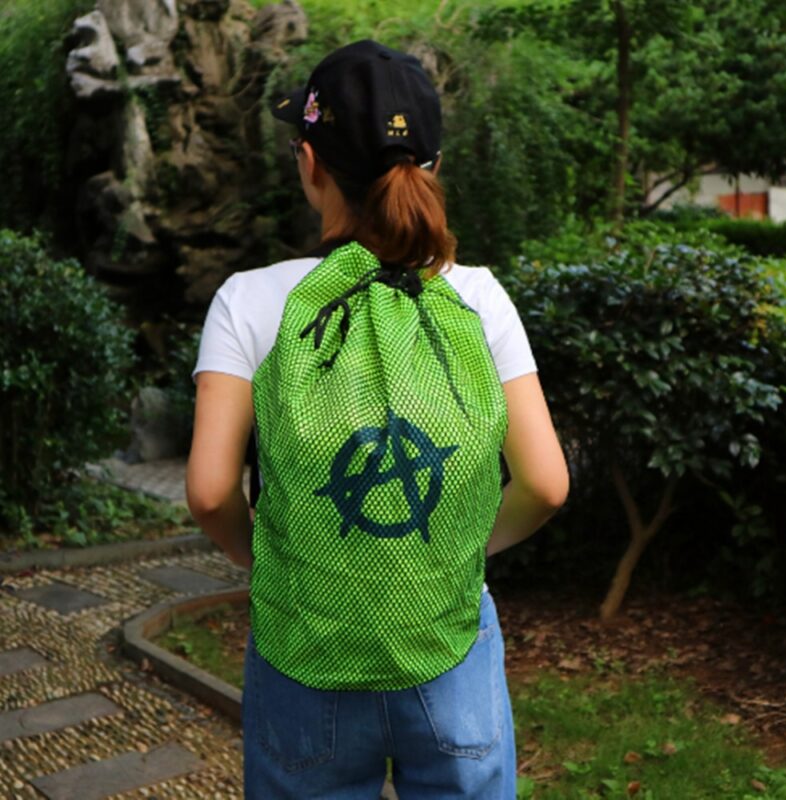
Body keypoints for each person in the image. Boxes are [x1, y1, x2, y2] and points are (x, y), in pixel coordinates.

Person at [186, 39, 569, 800]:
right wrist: (453, 553)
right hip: (447, 643)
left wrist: (272, 567)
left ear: (309, 161)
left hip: (305, 647)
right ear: (429, 167)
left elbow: (208, 492)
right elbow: (547, 485)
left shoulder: (251, 302)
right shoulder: (480, 298)